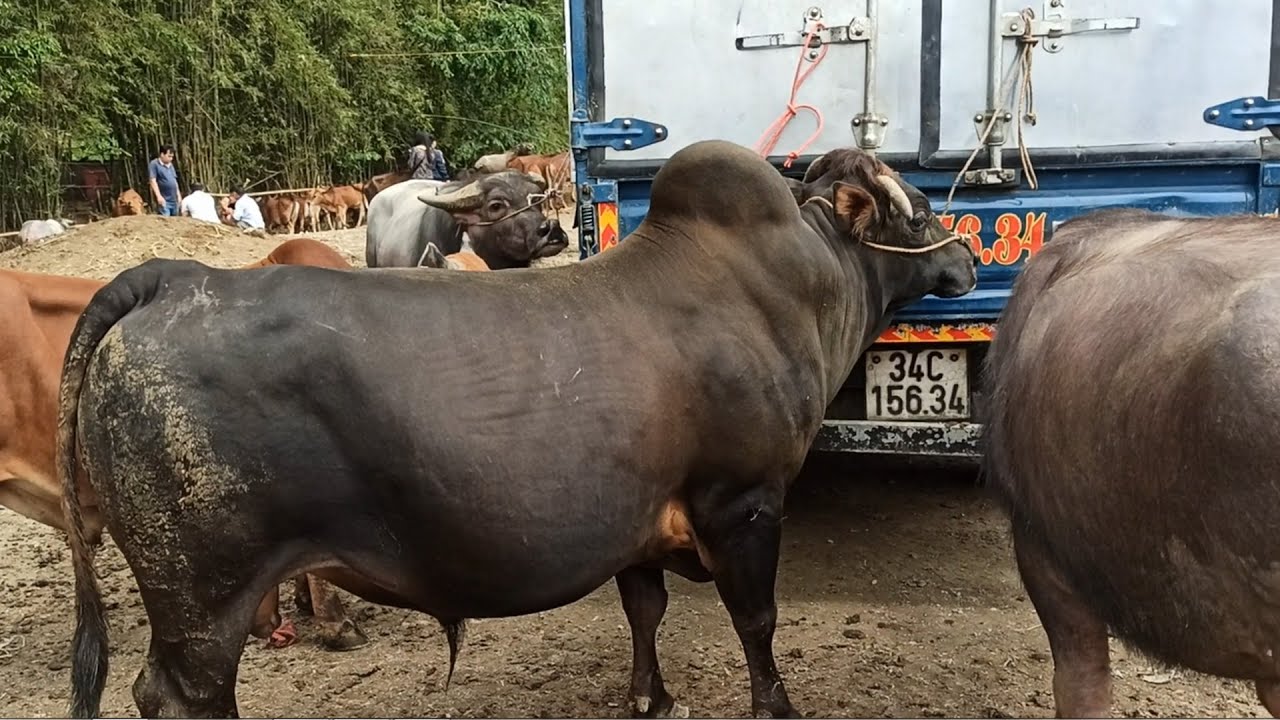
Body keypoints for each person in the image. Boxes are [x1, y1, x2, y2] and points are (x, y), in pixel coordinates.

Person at [148, 144, 182, 217]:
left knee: (175, 220)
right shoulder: (154, 164)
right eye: (169, 156)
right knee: (166, 220)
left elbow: (174, 180)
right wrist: (159, 196)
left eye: (172, 157)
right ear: (162, 154)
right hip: (164, 199)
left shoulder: (170, 165)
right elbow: (152, 181)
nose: (171, 159)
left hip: (174, 199)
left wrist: (178, 195)